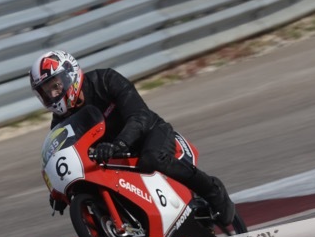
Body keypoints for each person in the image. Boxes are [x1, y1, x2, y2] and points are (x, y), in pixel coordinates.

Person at [29, 50, 235, 226]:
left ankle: (212, 189)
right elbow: (61, 155)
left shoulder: (105, 80)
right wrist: (58, 191)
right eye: (46, 92)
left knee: (152, 159)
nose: (53, 95)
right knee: (91, 182)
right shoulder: (60, 121)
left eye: (55, 86)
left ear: (70, 74)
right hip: (113, 155)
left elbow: (139, 115)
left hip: (149, 132)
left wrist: (120, 143)